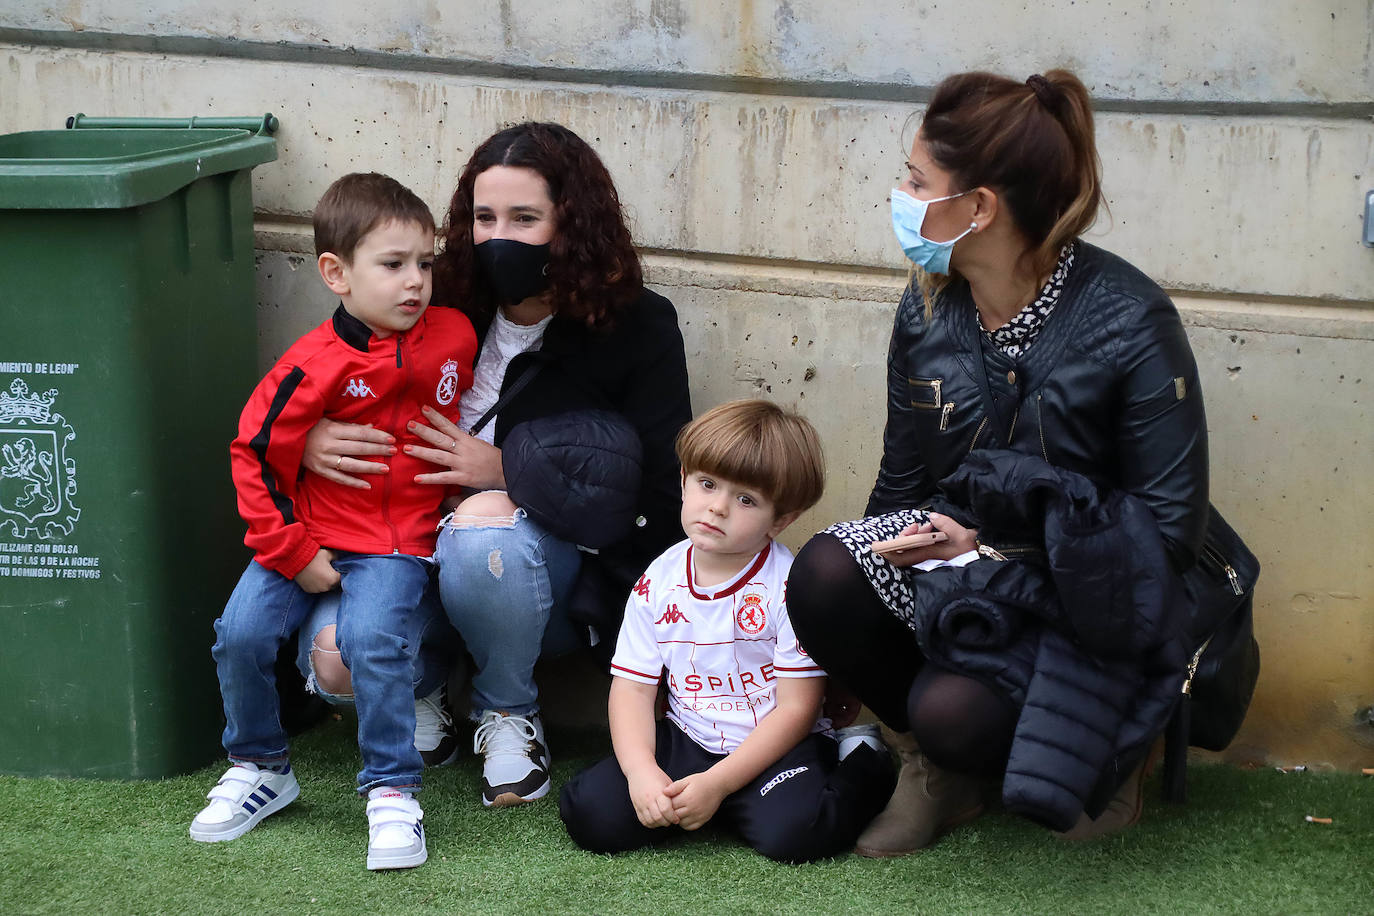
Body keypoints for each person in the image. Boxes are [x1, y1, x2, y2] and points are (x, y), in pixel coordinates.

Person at [786, 69, 1214, 856]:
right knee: (825, 573)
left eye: (917, 180)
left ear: (979, 207)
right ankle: (937, 774)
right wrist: (895, 554)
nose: (900, 193)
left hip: (1097, 598)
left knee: (954, 710)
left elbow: (1168, 537)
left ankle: (1114, 753)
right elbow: (905, 482)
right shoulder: (927, 304)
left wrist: (986, 552)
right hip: (971, 579)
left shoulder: (1131, 321)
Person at [298, 122, 693, 808]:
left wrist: (508, 470)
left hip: (539, 576)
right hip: (398, 550)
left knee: (484, 530)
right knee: (334, 659)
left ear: (572, 224)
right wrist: (306, 439)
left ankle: (509, 711)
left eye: (525, 218)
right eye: (484, 217)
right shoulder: (429, 301)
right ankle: (423, 695)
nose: (498, 236)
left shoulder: (636, 326)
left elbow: (660, 500)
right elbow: (321, 376)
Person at [190, 173, 478, 871]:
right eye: (392, 265)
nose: (415, 282)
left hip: (396, 544)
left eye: (424, 264)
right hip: (307, 535)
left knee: (371, 640)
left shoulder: (455, 335)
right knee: (239, 633)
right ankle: (262, 766)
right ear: (335, 273)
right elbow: (253, 454)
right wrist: (291, 550)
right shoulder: (308, 365)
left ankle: (391, 789)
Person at [558, 400, 896, 863]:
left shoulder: (788, 587)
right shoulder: (658, 579)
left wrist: (718, 785)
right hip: (689, 737)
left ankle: (863, 759)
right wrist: (641, 773)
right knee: (589, 812)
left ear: (781, 519)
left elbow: (797, 709)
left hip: (772, 746)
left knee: (796, 835)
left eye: (745, 499)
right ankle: (710, 802)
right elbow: (632, 690)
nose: (717, 507)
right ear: (683, 481)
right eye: (708, 484)